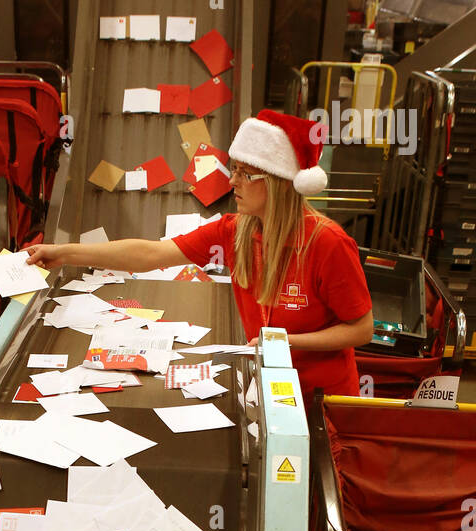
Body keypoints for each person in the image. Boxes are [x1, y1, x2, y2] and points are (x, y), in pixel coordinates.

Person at [26, 110, 375, 404]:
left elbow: (362, 329)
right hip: (269, 392)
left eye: (245, 173)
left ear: (279, 182)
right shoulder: (235, 232)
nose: (233, 181)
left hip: (323, 403)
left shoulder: (327, 244)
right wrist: (63, 252)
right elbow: (149, 254)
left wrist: (285, 342)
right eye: (233, 169)